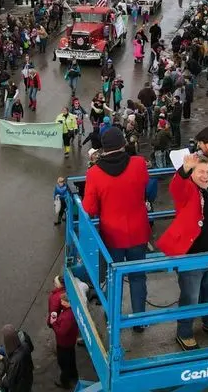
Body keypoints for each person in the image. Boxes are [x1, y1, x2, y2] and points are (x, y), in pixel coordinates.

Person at [156, 154, 208, 350]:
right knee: (190, 297)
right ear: (192, 174)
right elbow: (176, 188)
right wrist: (184, 170)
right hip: (191, 256)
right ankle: (184, 331)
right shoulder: (188, 191)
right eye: (200, 172)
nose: (205, 176)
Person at [82, 128, 151, 329]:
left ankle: (113, 317)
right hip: (138, 232)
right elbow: (145, 183)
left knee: (114, 278)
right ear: (123, 144)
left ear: (103, 148)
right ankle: (139, 320)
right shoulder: (138, 164)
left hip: (112, 236)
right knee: (138, 277)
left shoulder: (94, 173)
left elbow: (89, 208)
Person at [49, 293, 79, 389]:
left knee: (64, 363)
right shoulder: (71, 311)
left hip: (64, 344)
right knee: (71, 360)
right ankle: (74, 376)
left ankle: (65, 383)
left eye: (63, 301)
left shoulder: (67, 317)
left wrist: (54, 323)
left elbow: (61, 332)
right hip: (70, 342)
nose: (61, 302)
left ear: (67, 303)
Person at [0, 324, 34, 392]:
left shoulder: (14, 361)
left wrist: (2, 380)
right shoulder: (25, 345)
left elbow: (9, 381)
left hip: (20, 387)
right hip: (28, 377)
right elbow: (31, 348)